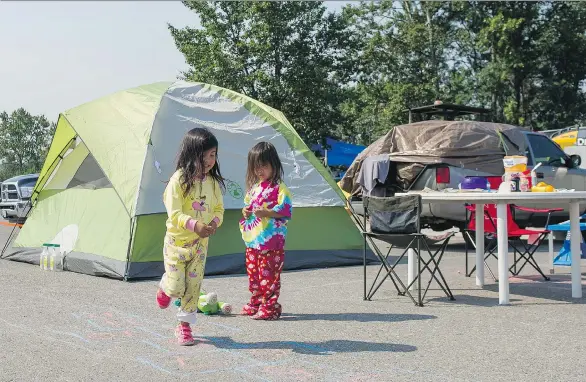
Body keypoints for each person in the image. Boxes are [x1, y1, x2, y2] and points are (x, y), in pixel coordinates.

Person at [156, 127, 225, 346]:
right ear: (191, 153)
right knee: (177, 287)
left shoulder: (212, 183)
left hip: (199, 246)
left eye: (213, 155)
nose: (209, 160)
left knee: (193, 286)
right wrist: (194, 224)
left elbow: (218, 210)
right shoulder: (178, 180)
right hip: (176, 244)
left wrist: (213, 224)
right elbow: (174, 213)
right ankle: (166, 285)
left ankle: (184, 326)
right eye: (204, 155)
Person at [239, 141, 292, 320]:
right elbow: (247, 207)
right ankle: (256, 301)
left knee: (268, 275)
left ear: (274, 165)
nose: (259, 170)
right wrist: (245, 212)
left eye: (264, 166)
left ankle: (270, 306)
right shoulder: (254, 188)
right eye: (255, 167)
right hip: (254, 240)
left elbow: (286, 210)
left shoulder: (279, 188)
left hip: (271, 242)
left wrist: (266, 212)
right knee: (253, 273)